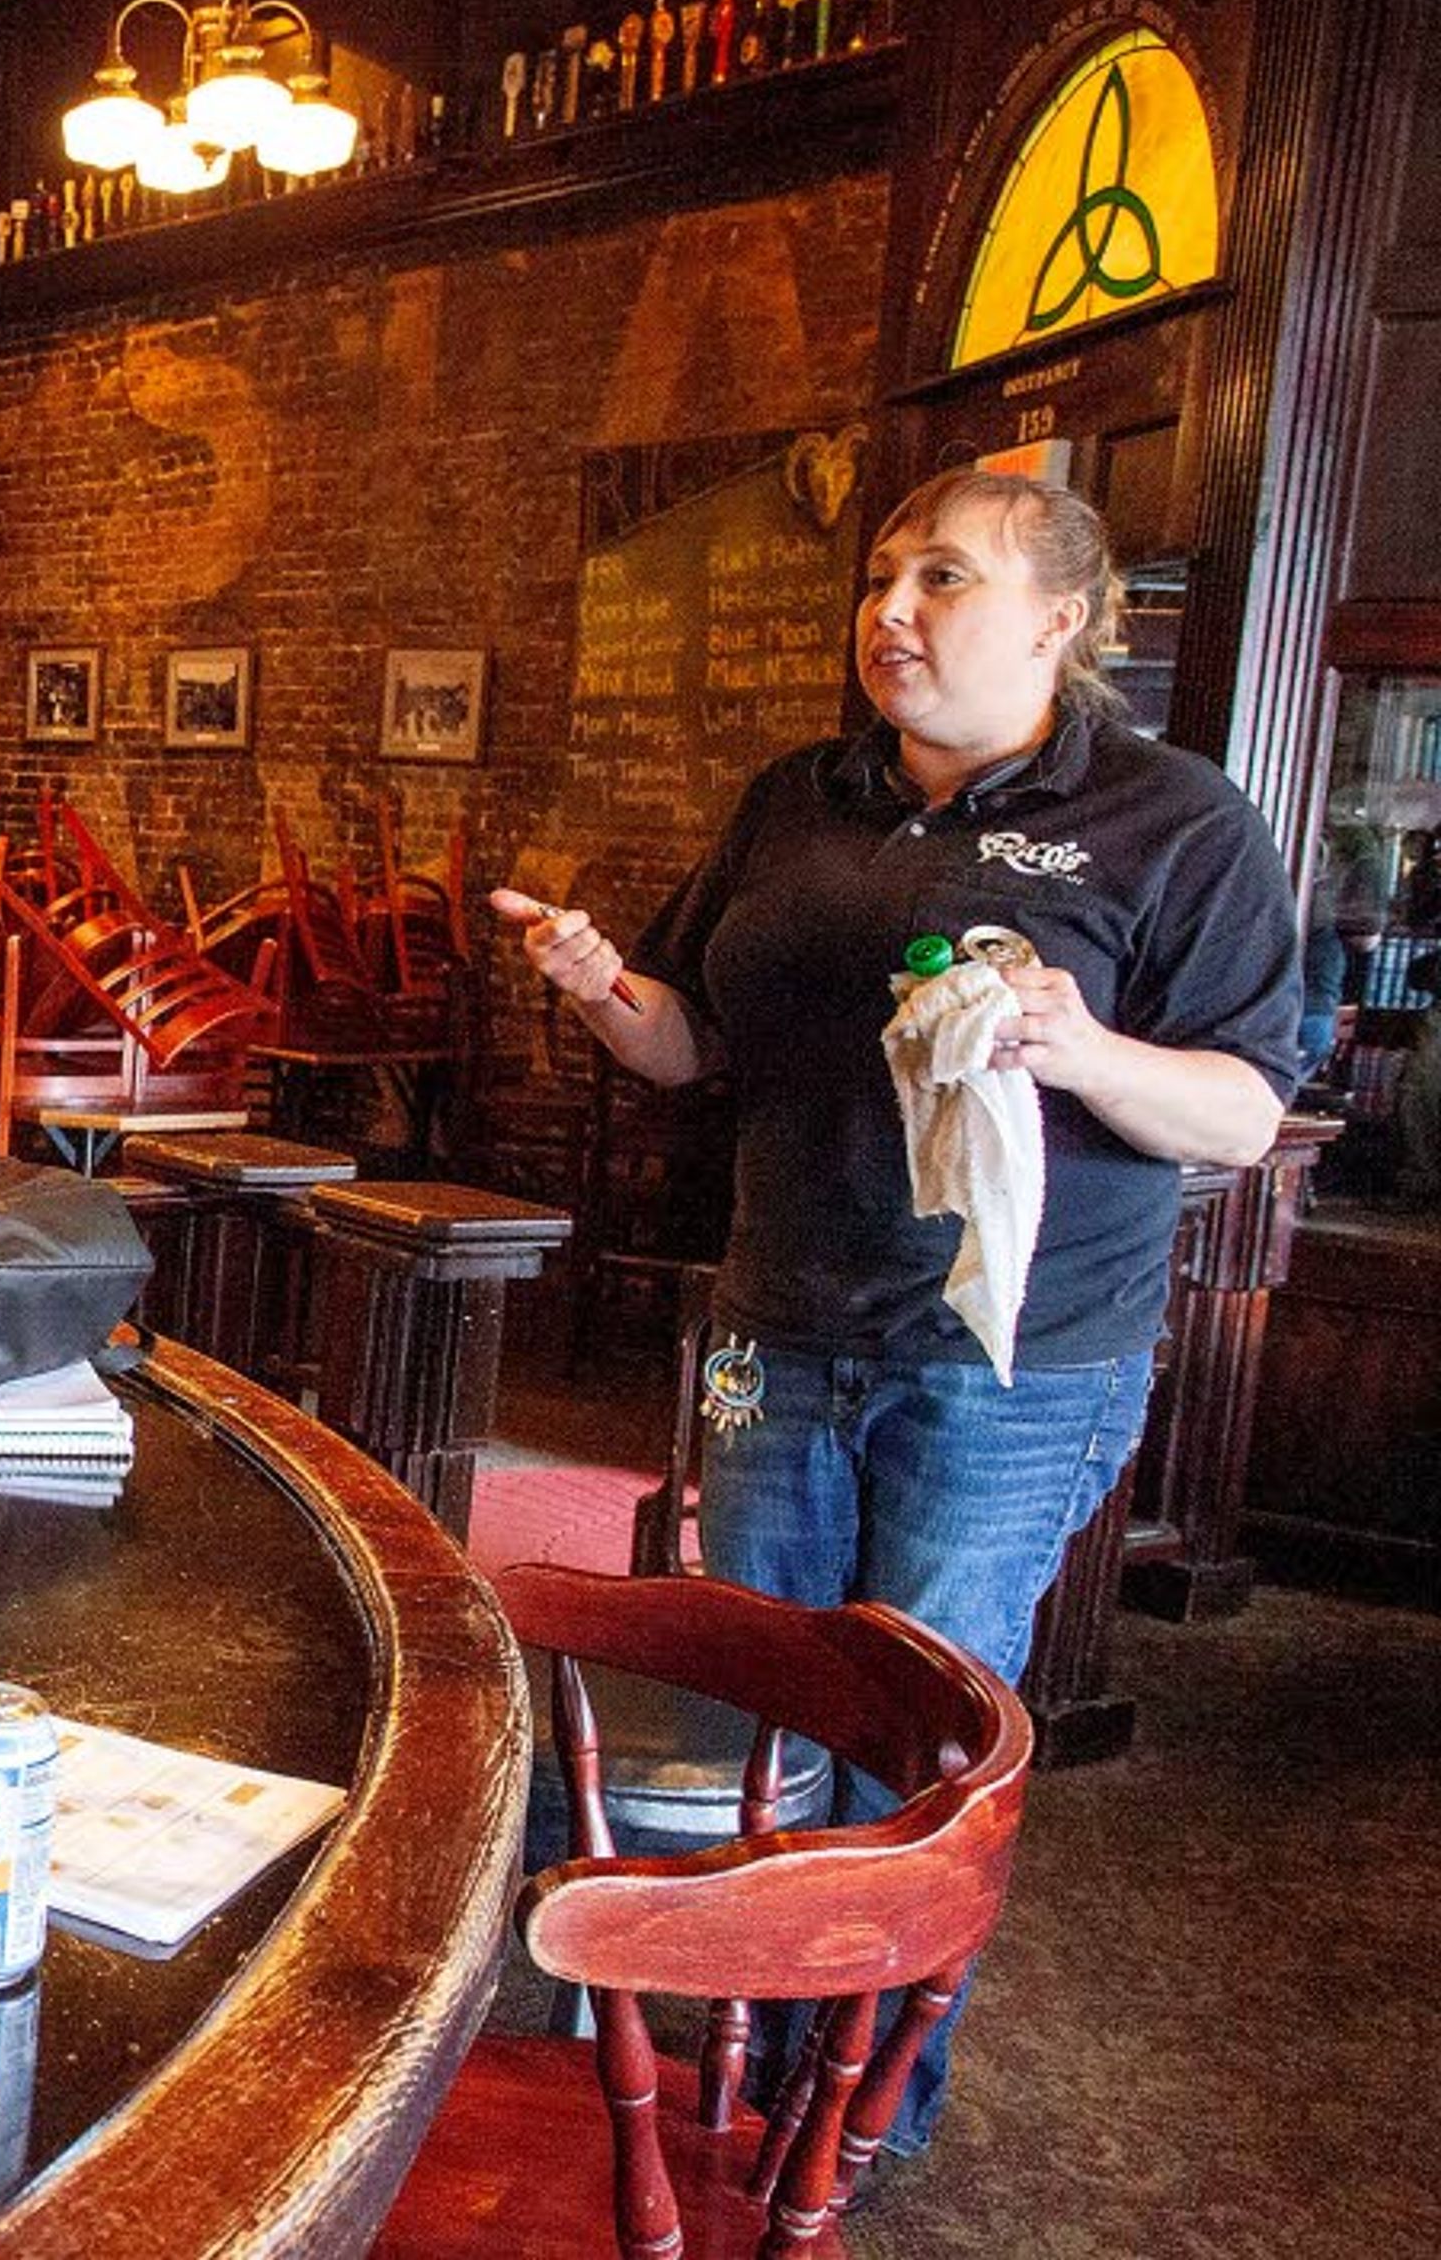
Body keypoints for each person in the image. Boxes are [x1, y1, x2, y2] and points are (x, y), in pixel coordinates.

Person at [494, 465, 1300, 2160]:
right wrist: (593, 984)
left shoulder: (1175, 821)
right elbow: (688, 1045)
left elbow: (1238, 1111)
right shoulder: (802, 795)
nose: (894, 610)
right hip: (779, 1321)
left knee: (914, 1746)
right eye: (881, 578)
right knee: (766, 1713)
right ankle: (738, 2072)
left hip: (1012, 1364)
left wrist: (1073, 1044)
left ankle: (854, 2117)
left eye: (944, 578)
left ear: (1062, 620)